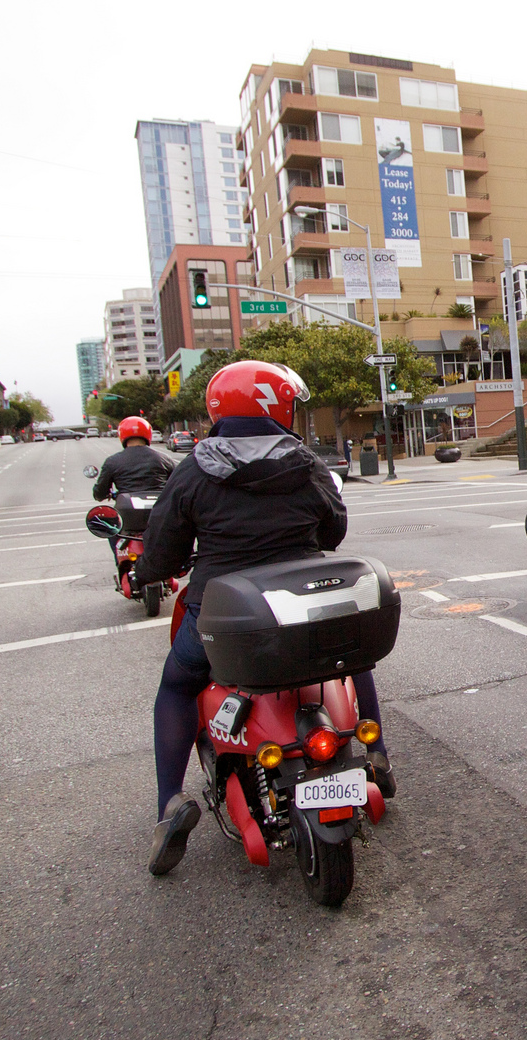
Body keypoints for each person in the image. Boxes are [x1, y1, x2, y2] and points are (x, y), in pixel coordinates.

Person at [132, 359, 385, 874]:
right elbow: (333, 530)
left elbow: (159, 555)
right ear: (277, 405)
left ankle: (170, 804)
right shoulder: (307, 462)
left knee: (177, 687)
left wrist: (162, 568)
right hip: (303, 607)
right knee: (351, 657)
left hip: (222, 616)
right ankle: (377, 755)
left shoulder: (193, 469)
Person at [92, 416, 175, 577]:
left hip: (128, 517)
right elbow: (180, 481)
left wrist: (105, 493)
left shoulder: (112, 462)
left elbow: (99, 493)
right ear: (148, 434)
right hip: (159, 514)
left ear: (122, 435)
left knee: (112, 528)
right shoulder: (163, 458)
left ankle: (121, 563)